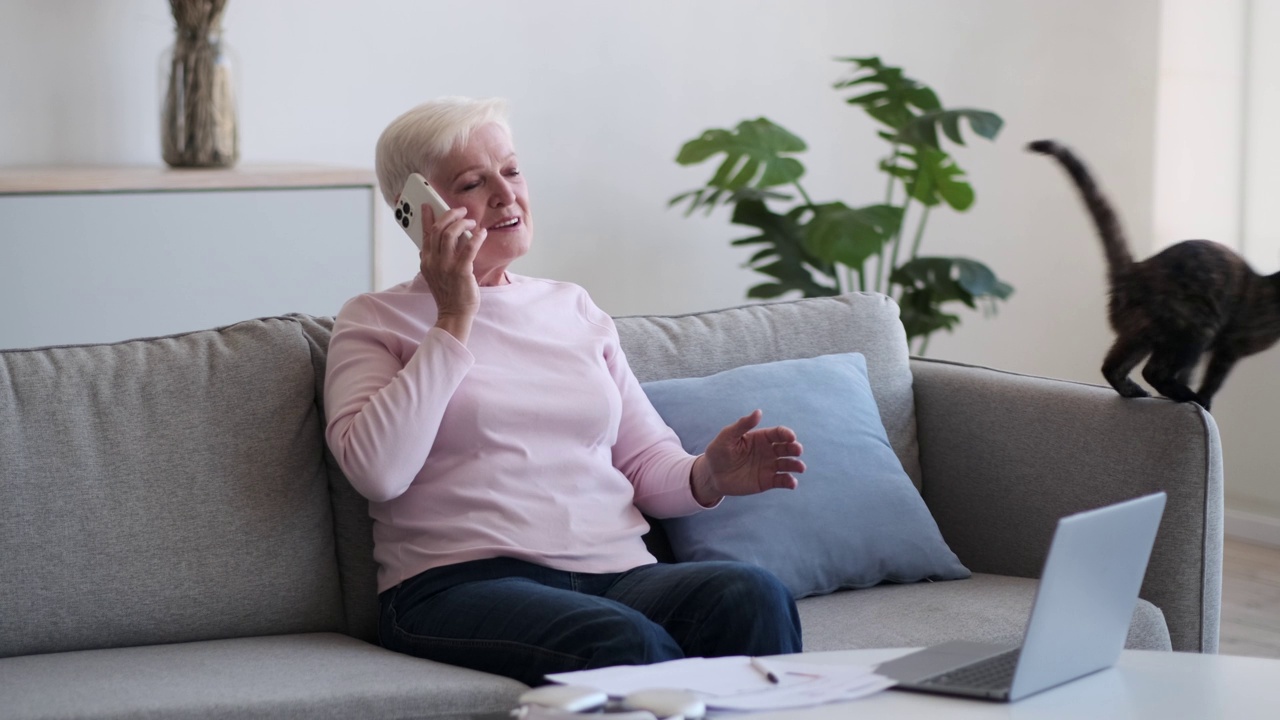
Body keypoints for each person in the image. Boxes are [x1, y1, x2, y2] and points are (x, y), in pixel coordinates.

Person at [324, 96, 806, 687]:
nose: (505, 194)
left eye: (513, 170)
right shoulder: (374, 320)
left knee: (752, 595)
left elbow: (646, 459)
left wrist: (708, 476)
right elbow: (378, 471)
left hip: (617, 572)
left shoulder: (572, 306)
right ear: (415, 212)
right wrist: (452, 317)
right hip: (458, 586)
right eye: (474, 182)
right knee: (623, 642)